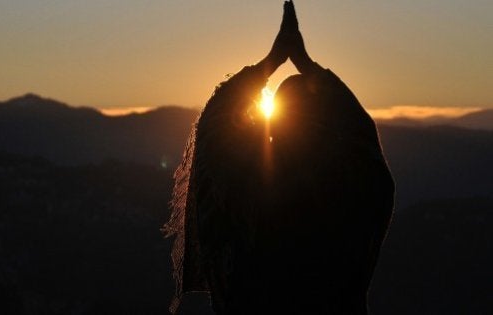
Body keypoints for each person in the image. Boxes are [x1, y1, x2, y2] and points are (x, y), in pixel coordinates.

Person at [163, 1, 395, 314]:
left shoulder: (253, 189)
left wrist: (269, 64)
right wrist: (308, 65)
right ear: (328, 124)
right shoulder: (356, 188)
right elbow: (361, 132)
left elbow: (216, 132)